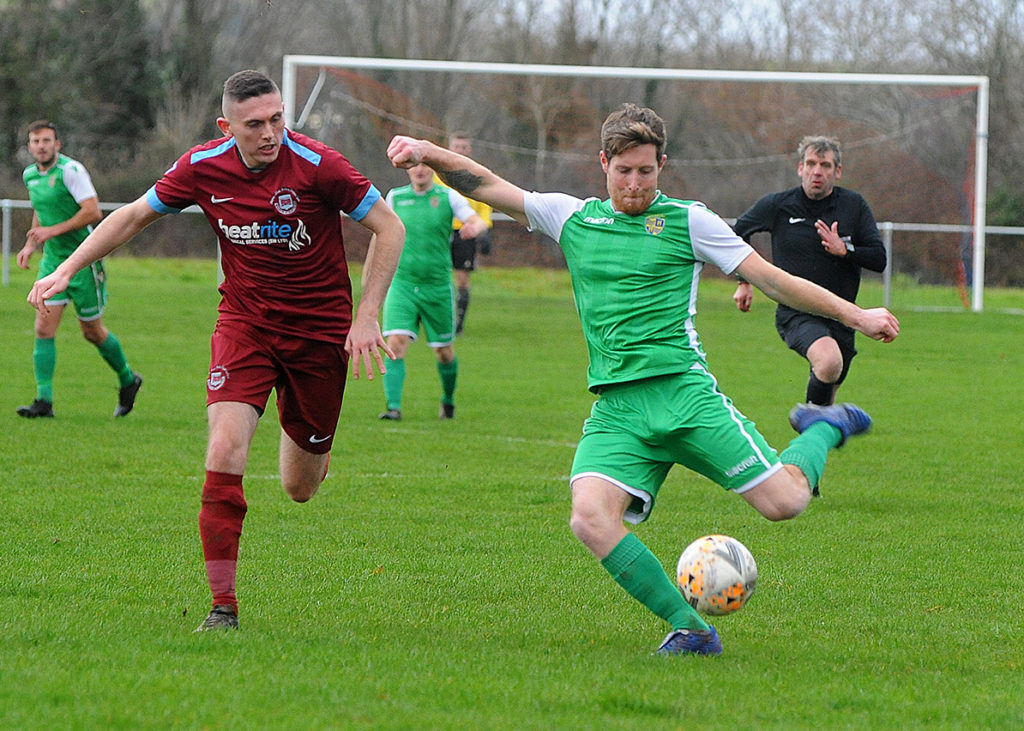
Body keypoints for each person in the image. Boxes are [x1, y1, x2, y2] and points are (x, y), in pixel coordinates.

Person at [386, 104, 899, 656]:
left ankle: (823, 426)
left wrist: (857, 316)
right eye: (624, 171)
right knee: (589, 520)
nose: (634, 184)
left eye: (646, 171)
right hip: (617, 410)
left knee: (786, 504)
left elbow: (775, 281)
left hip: (683, 395)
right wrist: (429, 153)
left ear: (662, 167)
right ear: (603, 164)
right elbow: (485, 183)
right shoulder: (572, 217)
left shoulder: (688, 220)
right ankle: (694, 631)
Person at [27, 70, 405, 632]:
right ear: (227, 126)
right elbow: (132, 215)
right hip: (244, 326)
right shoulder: (203, 166)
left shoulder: (319, 163)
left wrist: (367, 314)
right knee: (226, 447)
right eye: (256, 125)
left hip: (319, 337)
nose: (271, 133)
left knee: (300, 488)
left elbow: (388, 226)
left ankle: (305, 439)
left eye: (278, 119)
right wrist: (65, 268)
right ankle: (222, 608)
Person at [732, 136, 887, 407]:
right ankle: (808, 426)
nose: (818, 171)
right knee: (829, 361)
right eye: (812, 163)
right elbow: (736, 233)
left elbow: (879, 259)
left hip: (843, 316)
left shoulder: (853, 206)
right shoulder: (779, 206)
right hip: (797, 312)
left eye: (825, 165)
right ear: (800, 168)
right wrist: (744, 280)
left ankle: (811, 437)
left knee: (827, 395)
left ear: (837, 171)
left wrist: (845, 251)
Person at [17, 120, 142, 419]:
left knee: (92, 331)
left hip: (84, 260)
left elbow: (92, 211)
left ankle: (128, 379)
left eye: (46, 140)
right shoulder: (30, 175)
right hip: (52, 261)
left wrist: (52, 231)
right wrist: (31, 245)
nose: (41, 146)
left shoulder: (71, 171)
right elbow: (40, 210)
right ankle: (43, 402)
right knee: (43, 328)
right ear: (30, 146)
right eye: (35, 141)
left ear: (57, 144)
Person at [372, 162, 485, 421]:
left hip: (436, 287)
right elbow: (381, 231)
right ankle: (393, 408)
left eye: (425, 165)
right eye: (414, 166)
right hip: (402, 284)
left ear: (432, 168)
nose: (420, 170)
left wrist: (473, 228)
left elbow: (476, 220)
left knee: (443, 352)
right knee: (396, 342)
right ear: (407, 169)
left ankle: (448, 402)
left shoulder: (447, 197)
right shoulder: (395, 197)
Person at [445, 132, 494, 335]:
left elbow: (485, 207)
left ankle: (459, 323)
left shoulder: (477, 175)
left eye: (464, 147)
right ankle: (431, 317)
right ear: (450, 148)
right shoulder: (438, 175)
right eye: (456, 146)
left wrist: (484, 230)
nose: (460, 150)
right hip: (442, 232)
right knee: (434, 275)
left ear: (469, 150)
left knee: (462, 279)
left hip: (466, 233)